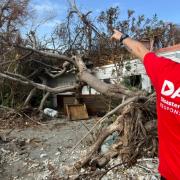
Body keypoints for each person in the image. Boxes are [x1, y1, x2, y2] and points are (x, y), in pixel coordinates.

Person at [111, 30, 180, 180]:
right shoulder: (166, 71)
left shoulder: (167, 71)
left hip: (169, 173)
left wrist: (122, 37)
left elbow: (141, 51)